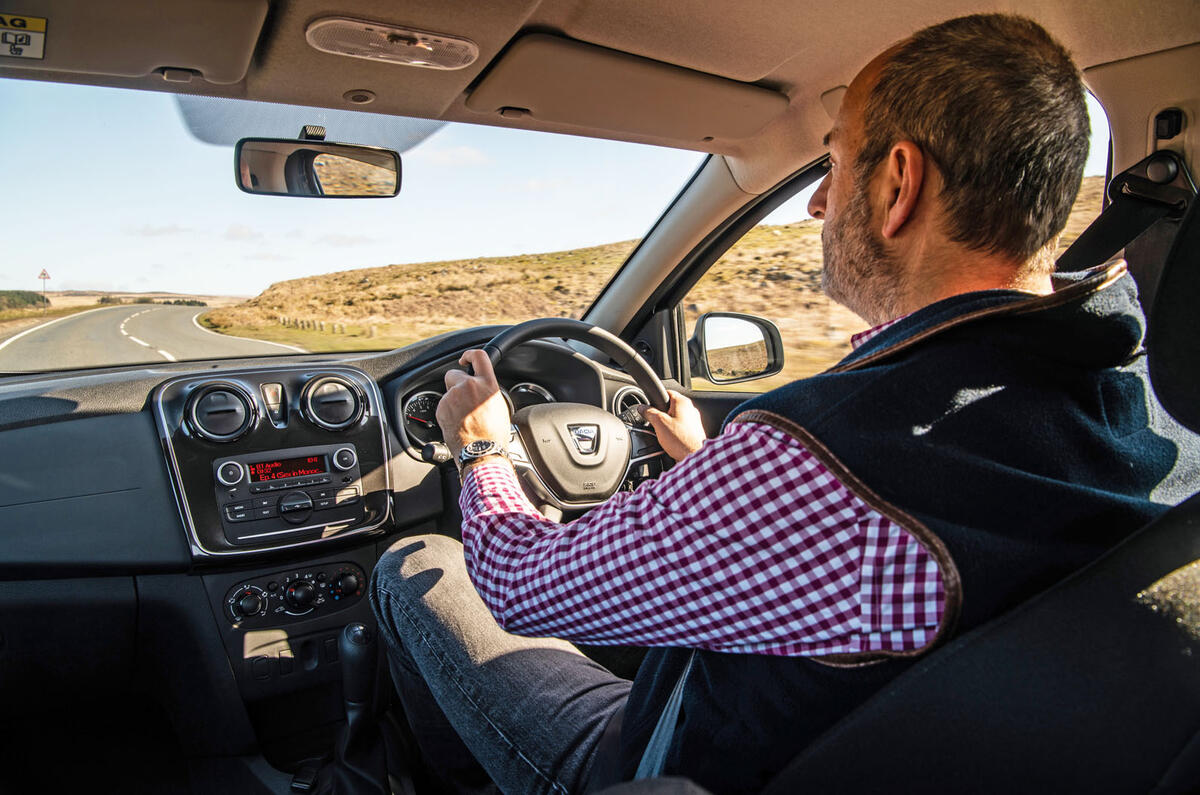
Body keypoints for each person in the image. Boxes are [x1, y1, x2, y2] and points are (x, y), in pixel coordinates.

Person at [371, 13, 1199, 794]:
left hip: (661, 765)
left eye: (833, 166)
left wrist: (483, 449)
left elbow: (520, 584)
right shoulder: (1150, 396)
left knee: (418, 569)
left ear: (899, 184)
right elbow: (862, 538)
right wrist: (711, 471)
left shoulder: (824, 457)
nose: (815, 203)